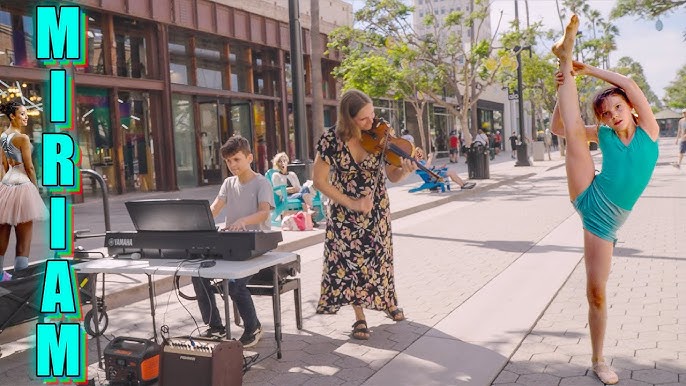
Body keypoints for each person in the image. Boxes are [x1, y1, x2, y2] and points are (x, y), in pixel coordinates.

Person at [550, 14, 659, 385]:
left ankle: (567, 58)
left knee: (596, 292)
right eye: (606, 113)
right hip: (589, 195)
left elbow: (627, 82)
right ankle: (562, 59)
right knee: (577, 136)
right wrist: (564, 86)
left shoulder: (650, 130)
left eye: (616, 108)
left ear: (629, 106)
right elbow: (559, 128)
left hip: (607, 223)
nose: (612, 116)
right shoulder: (606, 135)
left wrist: (587, 69)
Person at [313, 89, 416, 340]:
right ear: (348, 119)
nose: (372, 122)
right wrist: (351, 202)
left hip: (376, 208)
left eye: (372, 115)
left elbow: (392, 175)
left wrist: (406, 170)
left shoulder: (381, 134)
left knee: (380, 258)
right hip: (344, 214)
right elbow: (319, 181)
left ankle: (388, 303)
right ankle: (360, 317)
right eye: (364, 119)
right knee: (351, 267)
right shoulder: (330, 140)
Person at [191, 135, 274, 347]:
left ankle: (253, 326)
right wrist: (197, 220)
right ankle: (216, 327)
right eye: (228, 161)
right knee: (198, 277)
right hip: (231, 246)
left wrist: (243, 221)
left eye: (236, 159)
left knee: (235, 285)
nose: (232, 165)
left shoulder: (262, 183)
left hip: (256, 247)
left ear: (249, 157)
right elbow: (215, 208)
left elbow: (264, 213)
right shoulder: (228, 183)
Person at [0, 101, 47, 274]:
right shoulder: (23, 138)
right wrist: (35, 189)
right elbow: (30, 167)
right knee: (23, 241)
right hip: (22, 185)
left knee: (2, 236)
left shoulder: (3, 137)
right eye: (22, 114)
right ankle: (20, 280)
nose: (26, 116)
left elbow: (3, 165)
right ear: (12, 116)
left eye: (26, 113)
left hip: (6, 185)